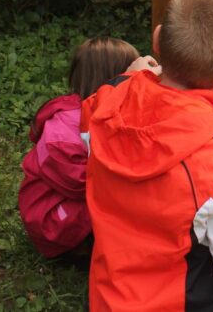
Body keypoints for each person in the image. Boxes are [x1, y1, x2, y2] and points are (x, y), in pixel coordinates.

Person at [82, 0, 213, 312]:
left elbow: (100, 107)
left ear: (157, 40)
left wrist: (130, 80)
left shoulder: (104, 106)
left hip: (108, 298)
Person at [18, 36, 150, 260]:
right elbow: (77, 182)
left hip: (76, 208)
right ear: (114, 79)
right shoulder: (65, 126)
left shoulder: (105, 112)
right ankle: (93, 249)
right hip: (54, 221)